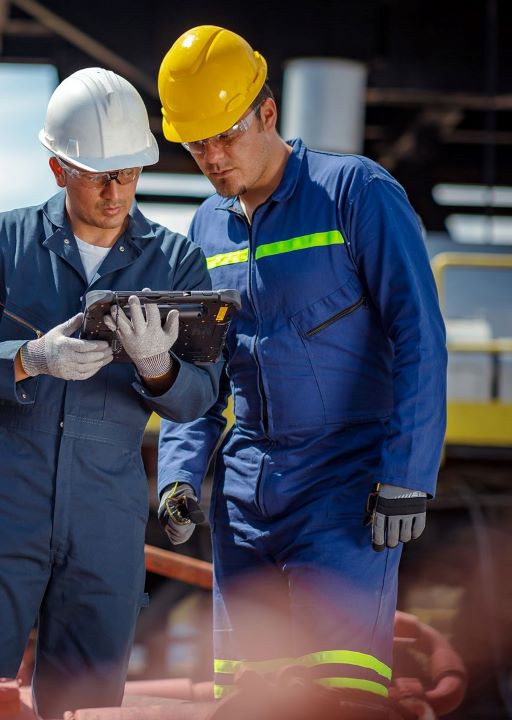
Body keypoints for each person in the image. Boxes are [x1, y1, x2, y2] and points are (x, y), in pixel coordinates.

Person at [0, 67, 224, 719]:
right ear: (59, 170)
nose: (118, 192)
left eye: (130, 173)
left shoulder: (175, 263)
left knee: (84, 711)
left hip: (104, 525)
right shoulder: (1, 243)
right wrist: (28, 358)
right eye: (99, 175)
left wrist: (158, 368)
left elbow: (198, 402)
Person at [154, 26, 447, 709]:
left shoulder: (357, 195)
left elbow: (420, 338)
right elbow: (202, 368)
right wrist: (178, 473)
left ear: (269, 112)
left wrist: (407, 475)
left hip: (344, 493)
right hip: (245, 499)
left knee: (336, 699)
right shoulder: (206, 229)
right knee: (245, 703)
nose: (214, 157)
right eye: (197, 143)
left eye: (226, 135)